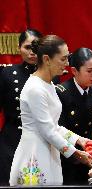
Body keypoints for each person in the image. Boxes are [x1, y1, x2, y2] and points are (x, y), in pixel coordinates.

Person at [9, 35, 92, 186]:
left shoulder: (47, 84)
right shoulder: (35, 88)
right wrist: (76, 154)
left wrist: (79, 140)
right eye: (63, 59)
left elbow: (53, 125)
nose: (67, 64)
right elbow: (48, 130)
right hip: (34, 153)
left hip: (49, 150)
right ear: (47, 59)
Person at [56, 47, 92, 184]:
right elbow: (58, 129)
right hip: (69, 157)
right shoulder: (61, 93)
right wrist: (77, 153)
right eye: (89, 71)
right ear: (74, 71)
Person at [0, 29, 43, 185]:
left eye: (36, 47)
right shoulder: (7, 73)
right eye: (27, 47)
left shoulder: (51, 75)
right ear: (19, 48)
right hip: (12, 140)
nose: (32, 52)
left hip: (41, 140)